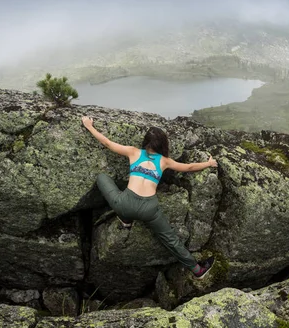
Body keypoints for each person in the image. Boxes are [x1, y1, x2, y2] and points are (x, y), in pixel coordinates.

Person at [82, 116, 218, 279]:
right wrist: (208, 164)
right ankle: (197, 270)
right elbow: (189, 167)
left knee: (102, 177)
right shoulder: (164, 161)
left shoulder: (133, 152)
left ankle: (125, 220)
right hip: (149, 209)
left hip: (124, 204)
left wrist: (89, 126)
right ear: (163, 145)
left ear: (145, 141)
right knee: (170, 239)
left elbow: (107, 143)